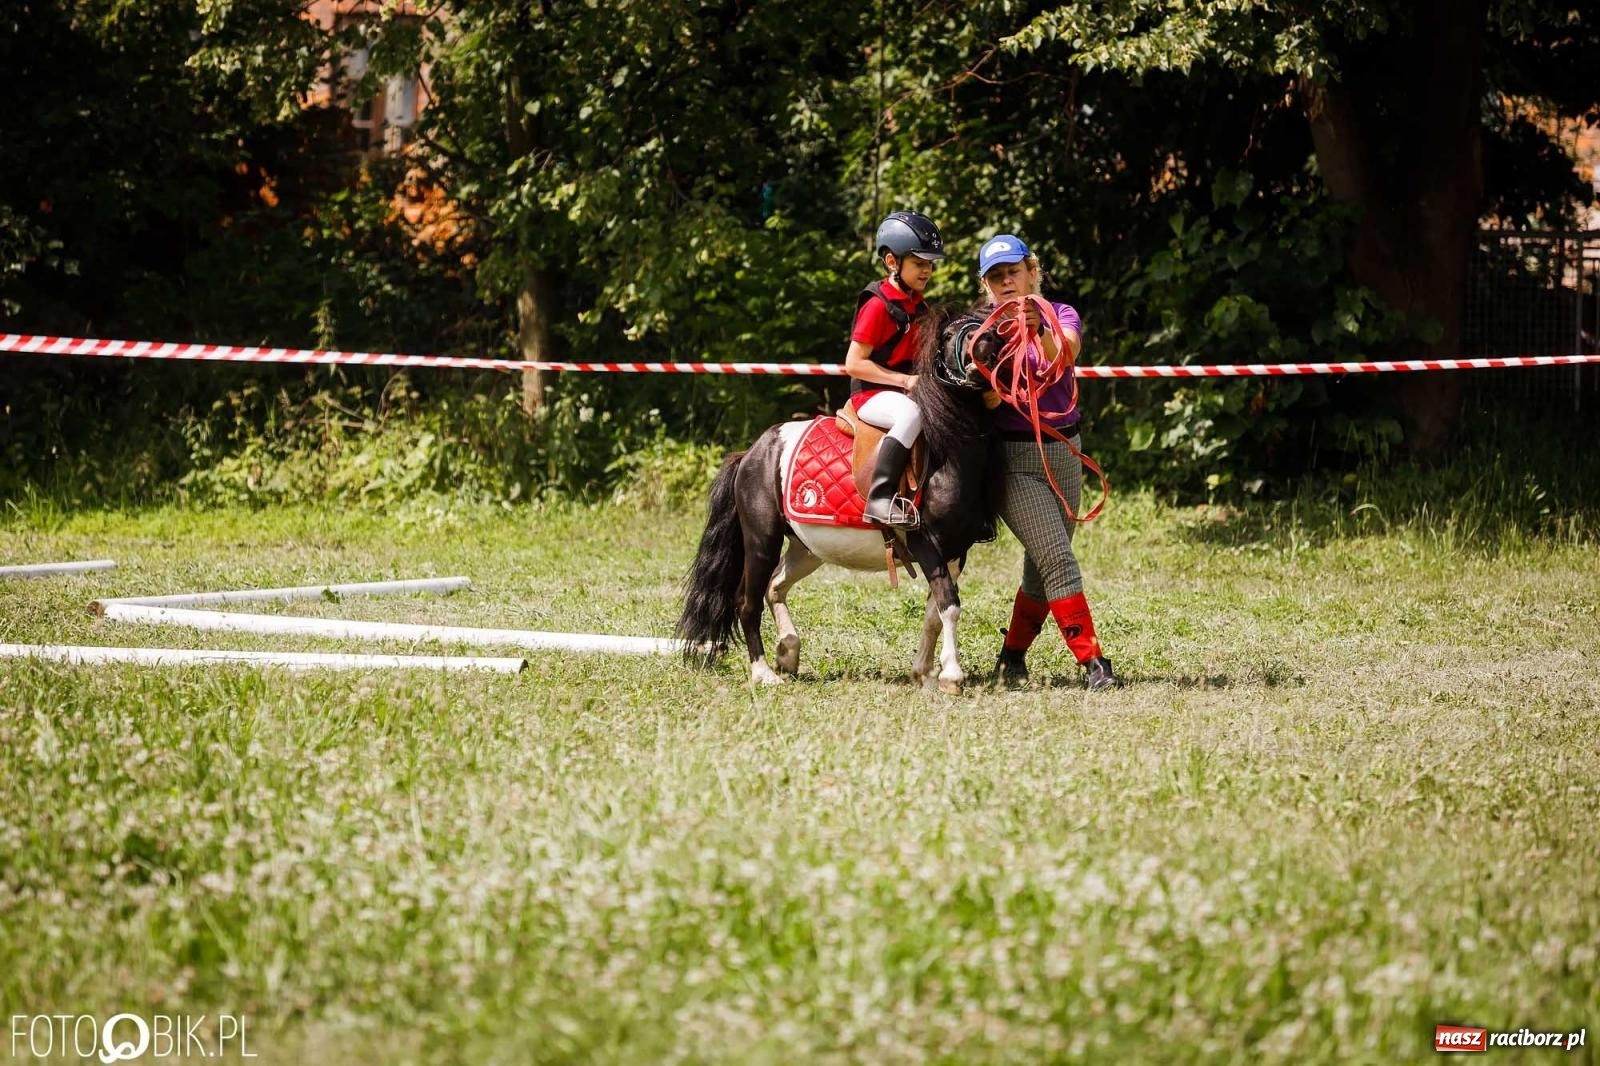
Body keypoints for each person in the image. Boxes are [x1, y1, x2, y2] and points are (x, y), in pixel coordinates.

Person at [976, 233, 1117, 690]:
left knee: (1041, 568)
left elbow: (1067, 356)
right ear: (986, 286)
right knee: (1057, 557)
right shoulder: (982, 329)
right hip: (1014, 460)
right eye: (995, 277)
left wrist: (1039, 330)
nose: (1006, 282)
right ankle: (1093, 662)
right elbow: (984, 399)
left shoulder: (1062, 315)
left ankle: (1011, 657)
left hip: (1065, 452)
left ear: (1032, 272)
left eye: (1013, 272)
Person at [843, 211, 947, 528]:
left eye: (930, 263)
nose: (927, 270)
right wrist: (904, 379)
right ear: (892, 262)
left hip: (904, 392)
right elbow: (854, 363)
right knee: (911, 415)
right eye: (919, 263)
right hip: (872, 396)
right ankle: (879, 496)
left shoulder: (919, 305)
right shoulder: (878, 304)